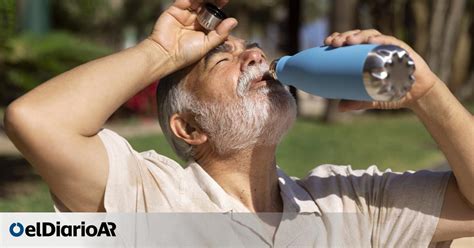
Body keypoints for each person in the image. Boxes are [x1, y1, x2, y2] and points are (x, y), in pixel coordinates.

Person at [3, 0, 473, 246]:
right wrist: (161, 52)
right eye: (221, 59)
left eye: (251, 48)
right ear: (190, 129)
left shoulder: (349, 203)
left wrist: (426, 94)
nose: (256, 55)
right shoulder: (148, 195)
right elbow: (36, 120)